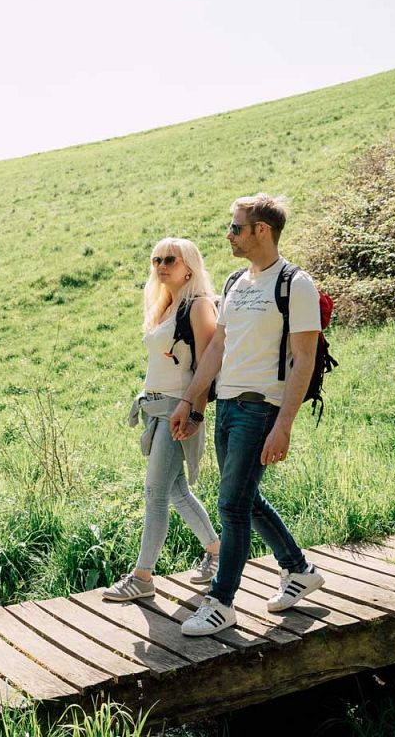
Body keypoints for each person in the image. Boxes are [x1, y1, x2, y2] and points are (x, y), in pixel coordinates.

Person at [169, 194, 326, 636]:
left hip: (261, 408)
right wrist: (190, 401)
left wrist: (284, 425)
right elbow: (218, 347)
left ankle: (221, 602)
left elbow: (304, 358)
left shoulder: (296, 284)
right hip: (227, 405)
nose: (229, 235)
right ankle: (298, 570)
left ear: (262, 230)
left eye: (236, 227)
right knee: (245, 499)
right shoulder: (237, 281)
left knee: (232, 505)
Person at [103, 238, 222, 602]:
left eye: (170, 259)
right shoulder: (166, 306)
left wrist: (195, 413)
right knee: (175, 490)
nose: (161, 266)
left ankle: (142, 577)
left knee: (155, 491)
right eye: (156, 260)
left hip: (177, 410)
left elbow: (208, 364)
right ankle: (217, 553)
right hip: (155, 409)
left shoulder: (198, 305)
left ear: (189, 266)